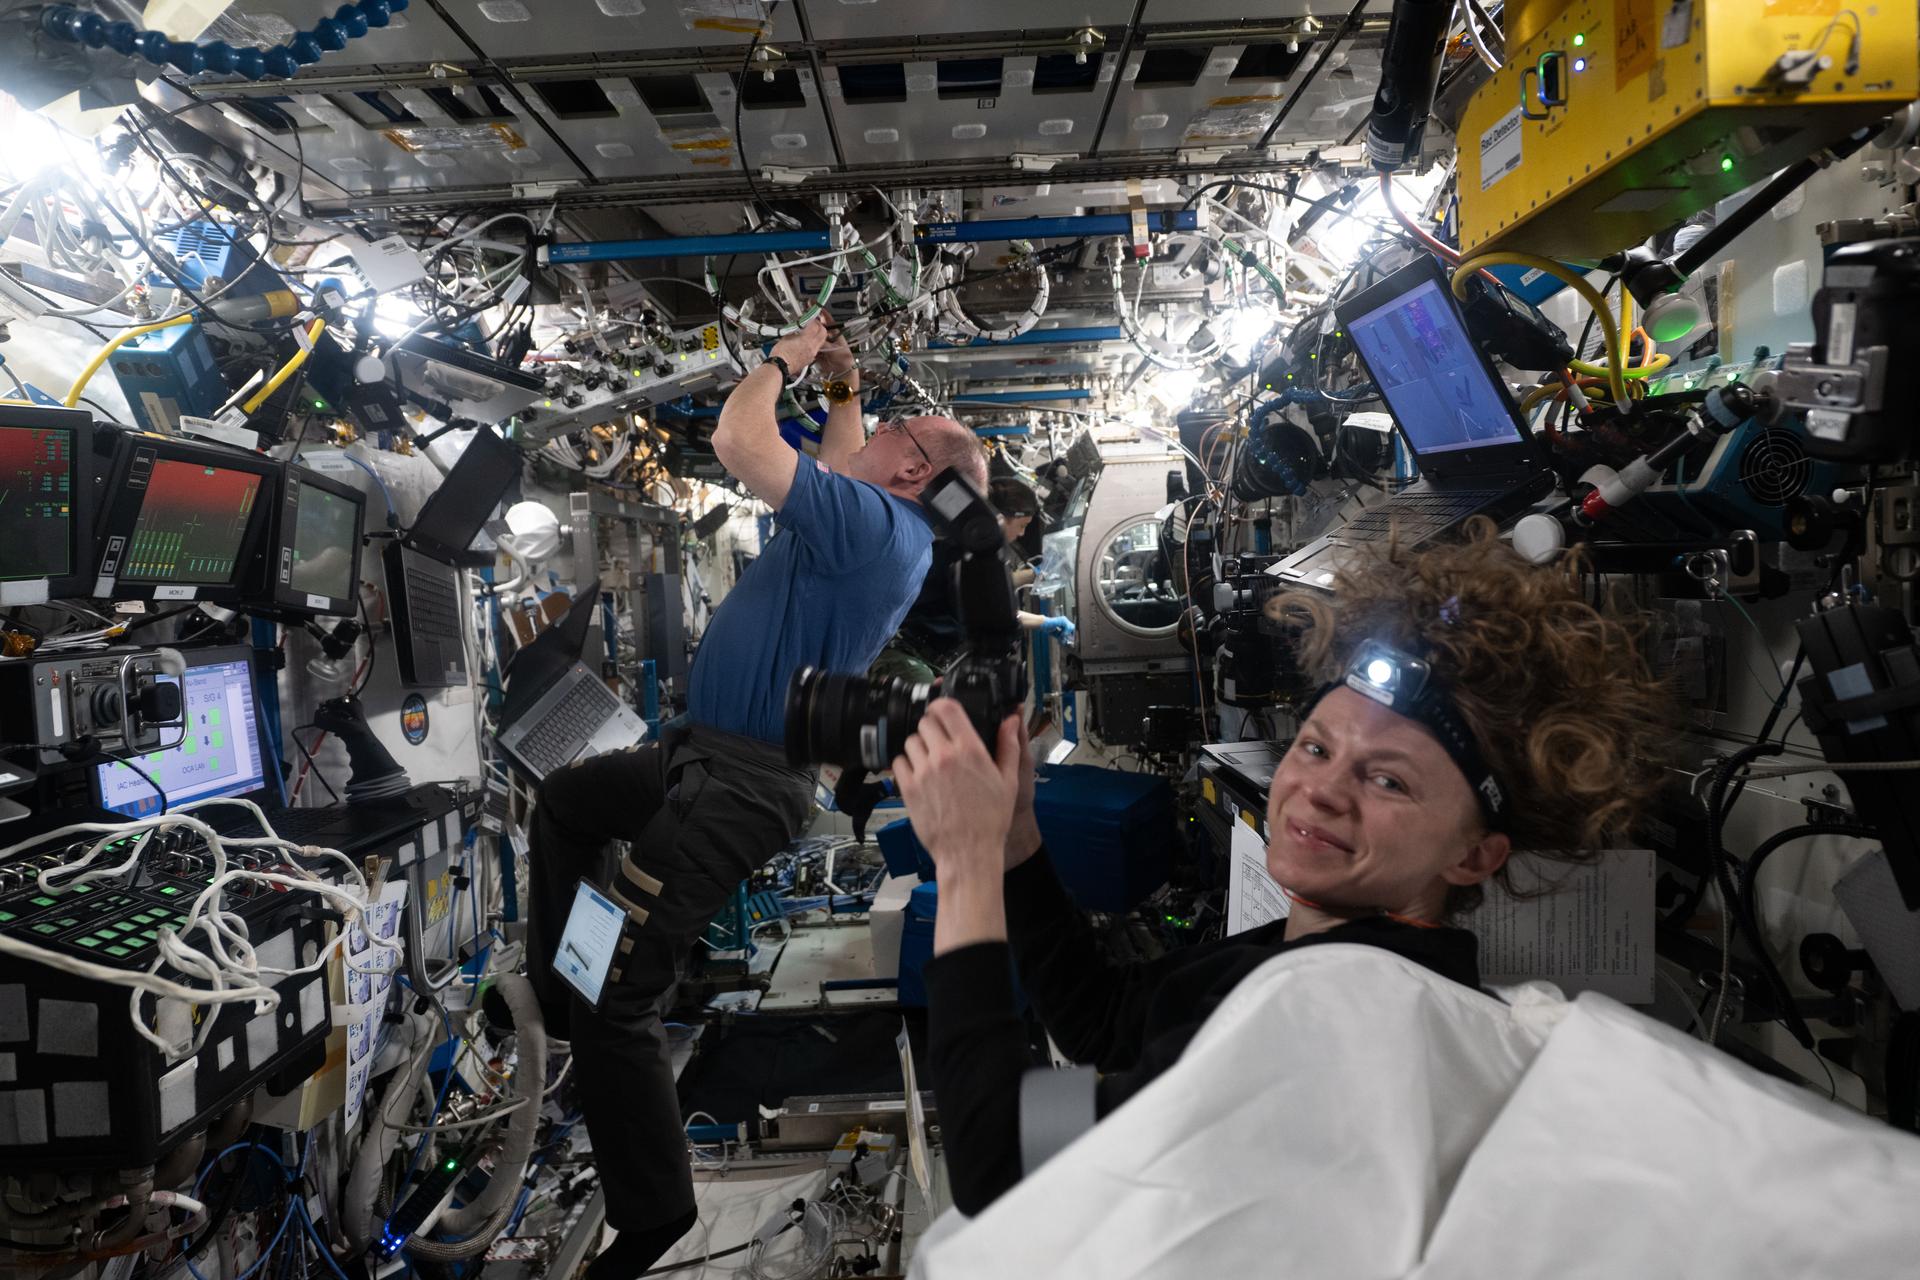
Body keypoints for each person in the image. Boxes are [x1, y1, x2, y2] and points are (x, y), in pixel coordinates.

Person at [890, 519, 1672, 1214]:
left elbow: (1000, 1156)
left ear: (1474, 855)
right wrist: (1014, 839)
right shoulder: (1319, 951)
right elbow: (1104, 1020)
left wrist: (963, 864)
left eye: (1388, 779)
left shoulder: (1349, 1020)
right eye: (1317, 747)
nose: (1321, 791)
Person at [525, 317, 988, 1277]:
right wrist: (848, 384)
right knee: (566, 805)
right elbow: (850, 455)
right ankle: (557, 995)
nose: (877, 436)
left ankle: (651, 1215)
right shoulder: (887, 519)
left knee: (627, 1004)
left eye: (897, 431)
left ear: (911, 474)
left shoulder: (874, 527)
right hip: (700, 754)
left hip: (737, 783)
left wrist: (782, 358)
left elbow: (743, 441)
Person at [871, 475, 1069, 684]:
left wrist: (1035, 576)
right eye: (1022, 525)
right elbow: (992, 612)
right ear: (1000, 519)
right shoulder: (959, 555)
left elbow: (992, 593)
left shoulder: (964, 552)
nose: (1022, 533)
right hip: (904, 656)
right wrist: (1045, 622)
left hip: (923, 657)